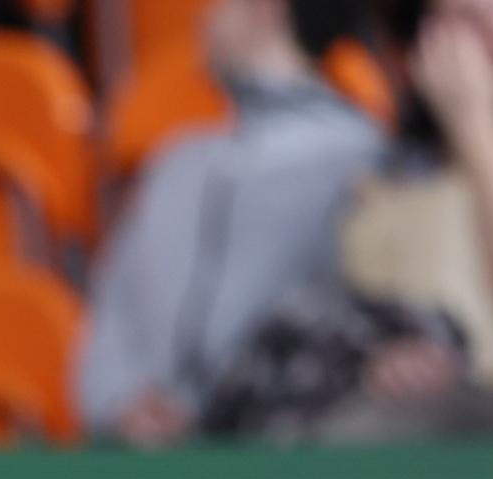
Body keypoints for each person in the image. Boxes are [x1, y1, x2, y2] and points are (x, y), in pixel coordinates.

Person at [203, 0, 493, 442]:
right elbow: (345, 307)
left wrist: (475, 123)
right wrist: (379, 355)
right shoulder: (392, 170)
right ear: (417, 50)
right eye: (468, 20)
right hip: (405, 402)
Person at [76, 0, 383, 447]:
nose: (205, 18)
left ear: (268, 10)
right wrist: (122, 400)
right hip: (148, 468)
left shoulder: (363, 158)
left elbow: (366, 323)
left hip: (289, 463)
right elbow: (114, 309)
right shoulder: (176, 162)